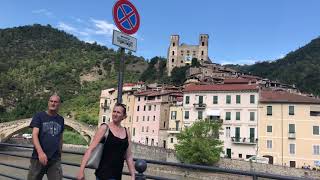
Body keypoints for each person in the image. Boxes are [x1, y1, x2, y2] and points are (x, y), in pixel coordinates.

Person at [77, 103, 135, 180]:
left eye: (118, 112)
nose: (115, 114)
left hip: (117, 175)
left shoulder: (126, 132)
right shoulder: (104, 128)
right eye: (114, 111)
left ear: (123, 116)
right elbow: (90, 149)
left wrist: (133, 175)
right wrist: (81, 170)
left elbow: (128, 156)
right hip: (103, 174)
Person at [27, 94, 64, 180]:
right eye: (51, 101)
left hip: (55, 159)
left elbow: (60, 137)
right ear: (48, 103)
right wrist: (40, 153)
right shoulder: (39, 116)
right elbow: (34, 135)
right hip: (38, 158)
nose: (53, 103)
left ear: (59, 104)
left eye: (55, 102)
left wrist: (60, 154)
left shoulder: (61, 119)